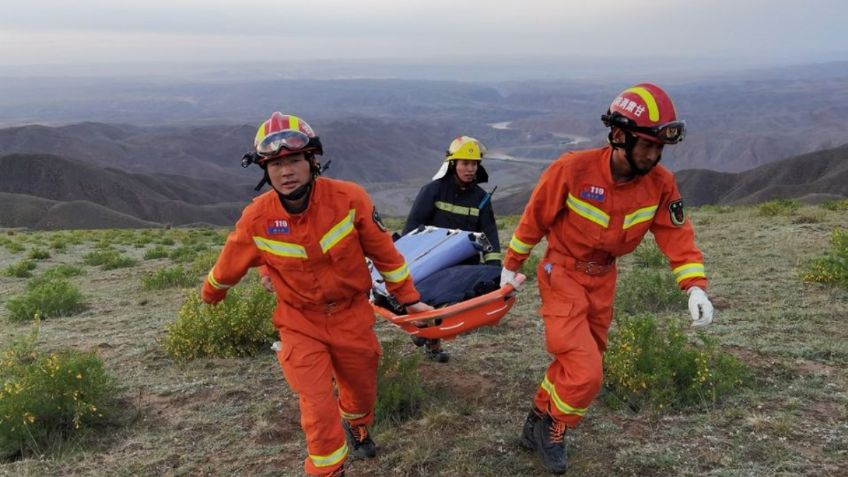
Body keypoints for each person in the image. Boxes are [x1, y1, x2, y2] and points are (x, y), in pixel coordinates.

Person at [201, 112, 433, 477]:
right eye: (275, 164)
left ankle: (356, 424)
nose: (286, 171)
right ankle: (327, 470)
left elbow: (386, 255)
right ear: (265, 170)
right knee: (317, 403)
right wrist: (211, 294)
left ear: (312, 161)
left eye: (293, 160)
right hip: (299, 321)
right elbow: (228, 264)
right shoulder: (256, 218)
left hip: (352, 315)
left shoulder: (349, 199)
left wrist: (409, 298)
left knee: (360, 392)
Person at [499, 83, 714, 474]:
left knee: (578, 362)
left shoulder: (661, 183)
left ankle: (535, 421)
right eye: (646, 145)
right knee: (586, 372)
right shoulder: (572, 170)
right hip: (561, 273)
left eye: (659, 148)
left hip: (604, 280)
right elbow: (535, 218)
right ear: (618, 136)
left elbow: (676, 235)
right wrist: (511, 265)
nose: (653, 155)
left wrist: (694, 285)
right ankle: (555, 428)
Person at [402, 135, 502, 363]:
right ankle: (426, 336)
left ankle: (431, 339)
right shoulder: (433, 191)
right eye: (465, 163)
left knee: (448, 306)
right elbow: (412, 228)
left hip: (464, 264)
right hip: (432, 261)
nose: (470, 169)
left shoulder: (481, 198)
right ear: (453, 164)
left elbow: (490, 233)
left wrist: (494, 268)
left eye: (474, 164)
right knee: (429, 301)